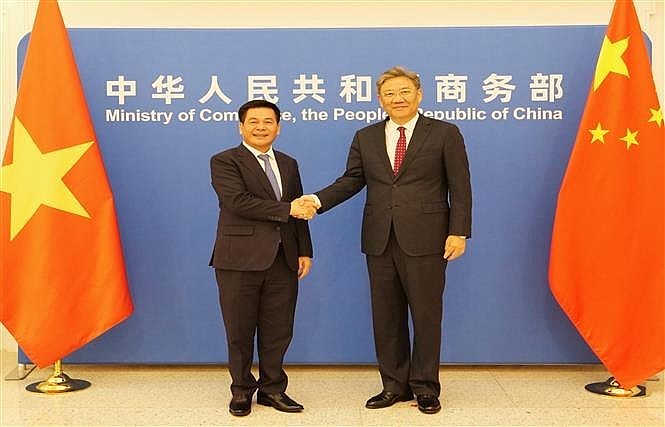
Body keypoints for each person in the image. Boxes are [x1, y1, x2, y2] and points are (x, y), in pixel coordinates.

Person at [300, 66, 471, 414]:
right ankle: (394, 385)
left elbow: (460, 186)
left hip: (428, 238)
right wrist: (317, 201)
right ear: (380, 100)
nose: (398, 98)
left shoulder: (444, 133)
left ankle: (425, 387)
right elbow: (351, 181)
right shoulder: (366, 137)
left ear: (419, 94)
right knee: (386, 316)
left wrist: (459, 230)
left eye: (405, 91)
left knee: (425, 315)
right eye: (390, 94)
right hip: (379, 239)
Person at [209, 99, 316, 417]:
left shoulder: (288, 163)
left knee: (278, 329)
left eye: (267, 121)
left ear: (278, 127)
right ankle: (241, 390)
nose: (260, 127)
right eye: (253, 121)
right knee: (239, 330)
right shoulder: (225, 161)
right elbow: (238, 201)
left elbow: (298, 210)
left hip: (284, 258)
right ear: (240, 126)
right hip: (238, 259)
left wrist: (305, 250)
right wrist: (288, 209)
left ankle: (273, 390)